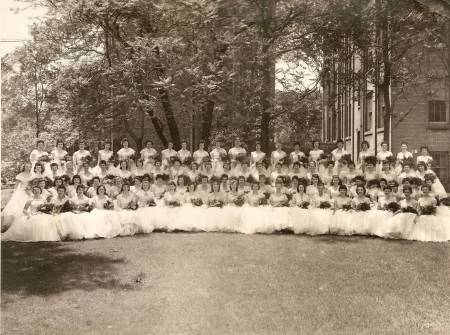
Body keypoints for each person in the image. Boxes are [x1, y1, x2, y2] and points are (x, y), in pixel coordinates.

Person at [1, 162, 35, 229]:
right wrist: (14, 193)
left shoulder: (33, 175)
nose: (28, 167)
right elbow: (16, 186)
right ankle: (11, 224)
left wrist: (30, 190)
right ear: (24, 167)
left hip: (30, 191)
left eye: (29, 166)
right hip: (22, 192)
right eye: (26, 166)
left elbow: (34, 184)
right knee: (17, 207)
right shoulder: (20, 175)